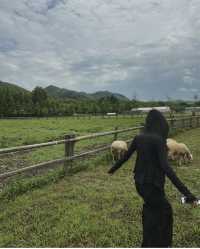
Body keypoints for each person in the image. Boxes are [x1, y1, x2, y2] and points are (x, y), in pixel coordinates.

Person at [108, 109, 198, 247]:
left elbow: (125, 157)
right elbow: (166, 167)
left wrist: (111, 170)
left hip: (140, 183)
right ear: (160, 124)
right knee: (165, 212)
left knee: (150, 210)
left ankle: (148, 243)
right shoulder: (158, 140)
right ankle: (161, 244)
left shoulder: (139, 137)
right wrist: (187, 193)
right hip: (153, 184)